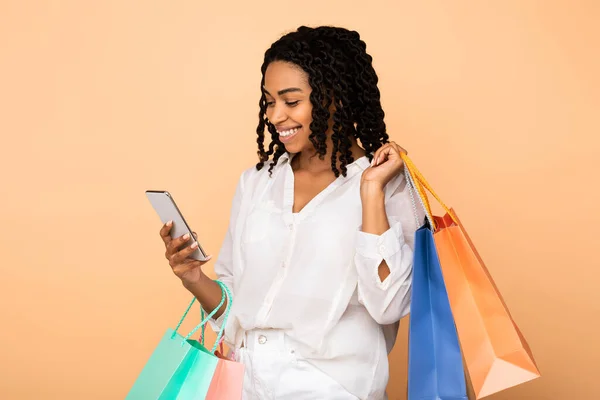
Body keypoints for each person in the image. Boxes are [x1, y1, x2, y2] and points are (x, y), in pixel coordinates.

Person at [159, 26, 422, 400]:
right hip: (245, 384)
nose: (276, 115)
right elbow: (235, 309)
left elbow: (390, 305)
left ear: (335, 98)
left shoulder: (389, 186)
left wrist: (370, 191)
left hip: (332, 388)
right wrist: (193, 277)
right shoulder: (256, 183)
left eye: (291, 101)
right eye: (269, 102)